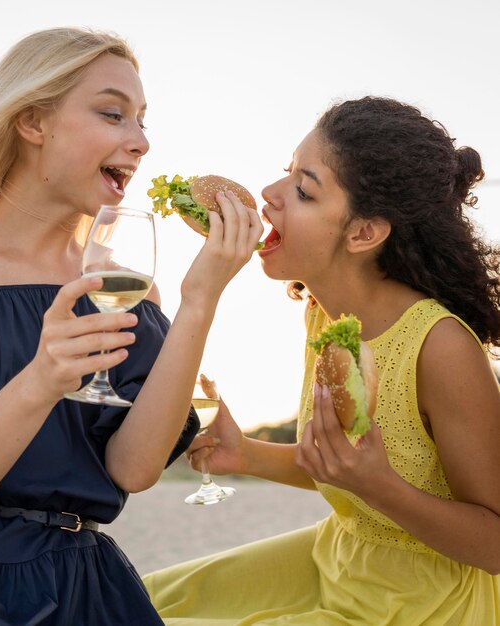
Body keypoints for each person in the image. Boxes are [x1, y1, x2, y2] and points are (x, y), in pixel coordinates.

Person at [0, 27, 263, 625]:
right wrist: (41, 379)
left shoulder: (126, 291)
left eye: (142, 122)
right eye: (113, 114)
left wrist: (199, 299)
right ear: (32, 121)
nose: (139, 143)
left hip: (85, 587)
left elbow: (133, 469)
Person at [144, 96, 500, 625]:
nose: (268, 196)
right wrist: (245, 455)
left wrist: (382, 488)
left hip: (424, 602)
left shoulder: (441, 347)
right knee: (137, 600)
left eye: (304, 191)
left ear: (363, 233)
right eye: (285, 174)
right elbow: (340, 466)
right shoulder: (323, 315)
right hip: (336, 558)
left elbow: (493, 543)